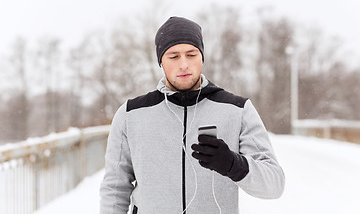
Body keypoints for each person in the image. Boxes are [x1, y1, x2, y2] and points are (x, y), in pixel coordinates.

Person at [100, 16, 285, 214]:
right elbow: (115, 188)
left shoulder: (237, 110)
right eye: (173, 56)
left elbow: (274, 185)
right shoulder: (131, 114)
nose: (184, 65)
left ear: (202, 57)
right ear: (160, 61)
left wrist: (233, 164)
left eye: (191, 54)